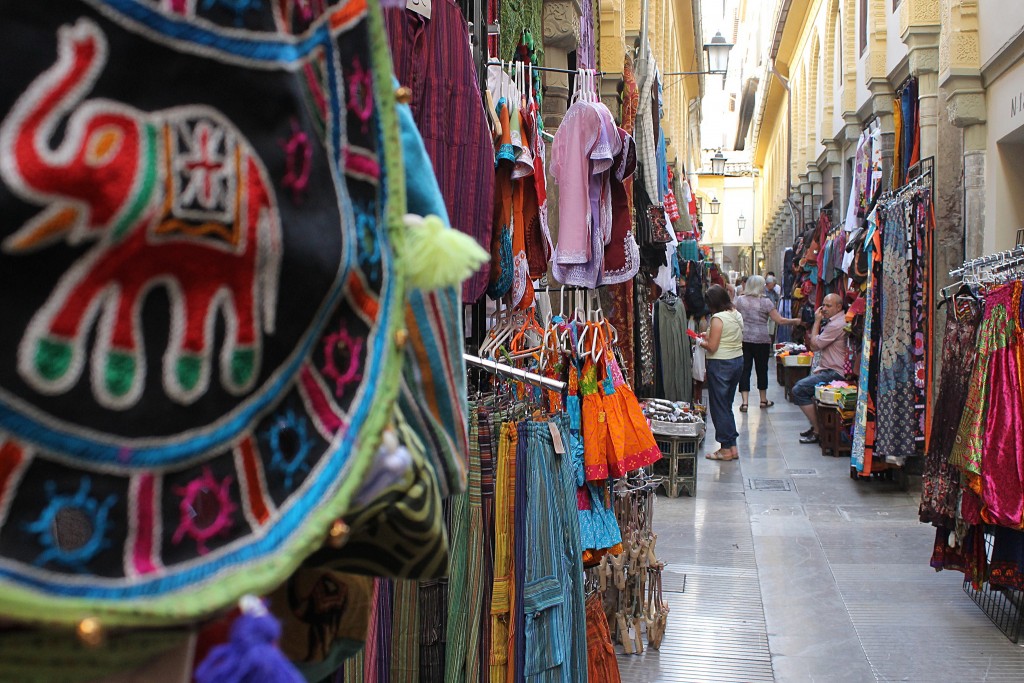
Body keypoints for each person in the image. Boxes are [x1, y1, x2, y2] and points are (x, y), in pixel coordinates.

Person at [734, 275, 801, 411]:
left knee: (744, 370)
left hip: (744, 339)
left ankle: (745, 402)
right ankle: (763, 400)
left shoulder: (740, 300)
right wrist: (795, 321)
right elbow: (780, 320)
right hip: (761, 340)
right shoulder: (766, 302)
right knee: (762, 369)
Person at [696, 285, 744, 461]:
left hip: (721, 364)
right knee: (726, 405)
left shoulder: (717, 318)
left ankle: (725, 448)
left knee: (719, 407)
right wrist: (708, 335)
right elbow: (728, 336)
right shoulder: (735, 314)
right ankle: (732, 447)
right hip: (737, 361)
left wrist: (700, 342)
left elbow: (713, 347)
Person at [792, 293, 848, 444]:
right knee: (804, 389)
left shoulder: (837, 324)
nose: (824, 309)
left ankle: (818, 430)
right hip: (829, 369)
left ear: (838, 307)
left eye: (828, 306)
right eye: (823, 305)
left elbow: (815, 346)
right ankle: (816, 426)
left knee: (799, 390)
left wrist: (816, 321)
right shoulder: (834, 321)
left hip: (835, 373)